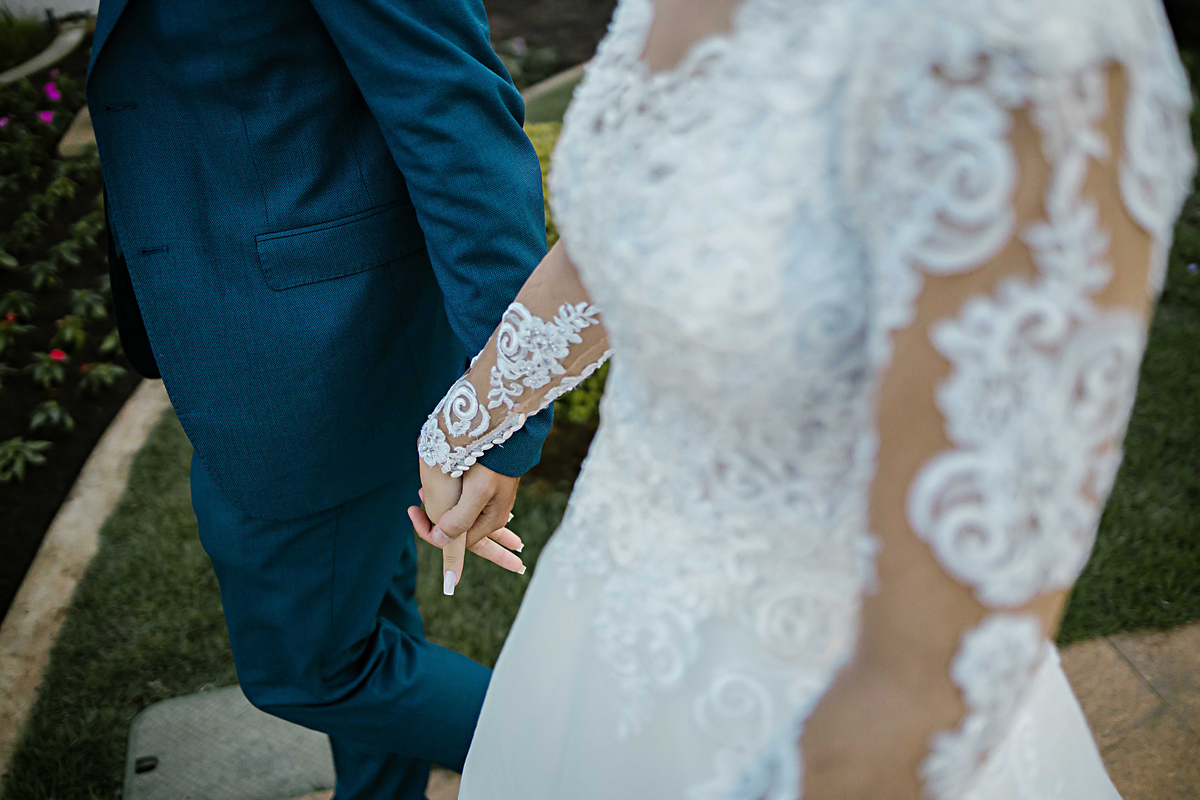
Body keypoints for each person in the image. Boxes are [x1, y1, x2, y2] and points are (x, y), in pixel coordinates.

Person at [409, 0, 1197, 797]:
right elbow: (607, 245)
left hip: (815, 687)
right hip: (595, 611)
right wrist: (463, 426)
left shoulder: (1025, 44)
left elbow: (933, 670)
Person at [86, 1, 543, 798]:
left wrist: (502, 412)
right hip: (272, 319)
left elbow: (458, 128)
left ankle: (597, 760)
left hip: (317, 354)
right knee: (365, 620)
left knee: (311, 669)